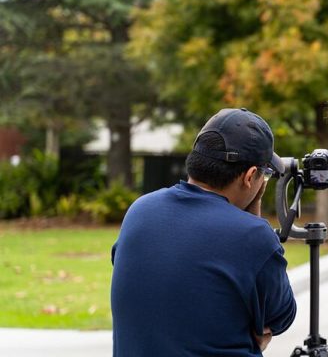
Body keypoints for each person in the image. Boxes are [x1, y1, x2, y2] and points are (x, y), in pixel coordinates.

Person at [111, 108, 296, 356]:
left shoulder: (140, 210)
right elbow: (281, 318)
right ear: (251, 176)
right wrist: (253, 215)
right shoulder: (253, 236)